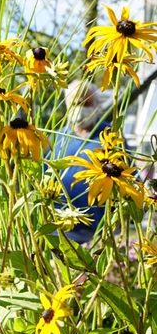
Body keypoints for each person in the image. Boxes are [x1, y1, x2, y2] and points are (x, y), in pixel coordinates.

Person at [52, 79, 115, 243]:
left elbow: (129, 178)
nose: (81, 109)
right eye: (75, 104)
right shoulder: (56, 138)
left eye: (86, 103)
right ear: (66, 106)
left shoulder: (110, 137)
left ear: (97, 105)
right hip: (60, 228)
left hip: (99, 232)